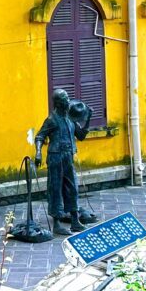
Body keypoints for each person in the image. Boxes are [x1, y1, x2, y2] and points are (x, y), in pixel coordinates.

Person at [34, 88, 90, 235]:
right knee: (55, 188)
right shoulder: (52, 119)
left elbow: (81, 136)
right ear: (58, 103)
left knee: (73, 188)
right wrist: (38, 152)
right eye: (65, 99)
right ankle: (57, 223)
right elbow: (40, 136)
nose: (68, 100)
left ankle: (74, 220)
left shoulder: (70, 118)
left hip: (68, 157)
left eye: (67, 97)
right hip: (55, 157)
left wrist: (88, 118)